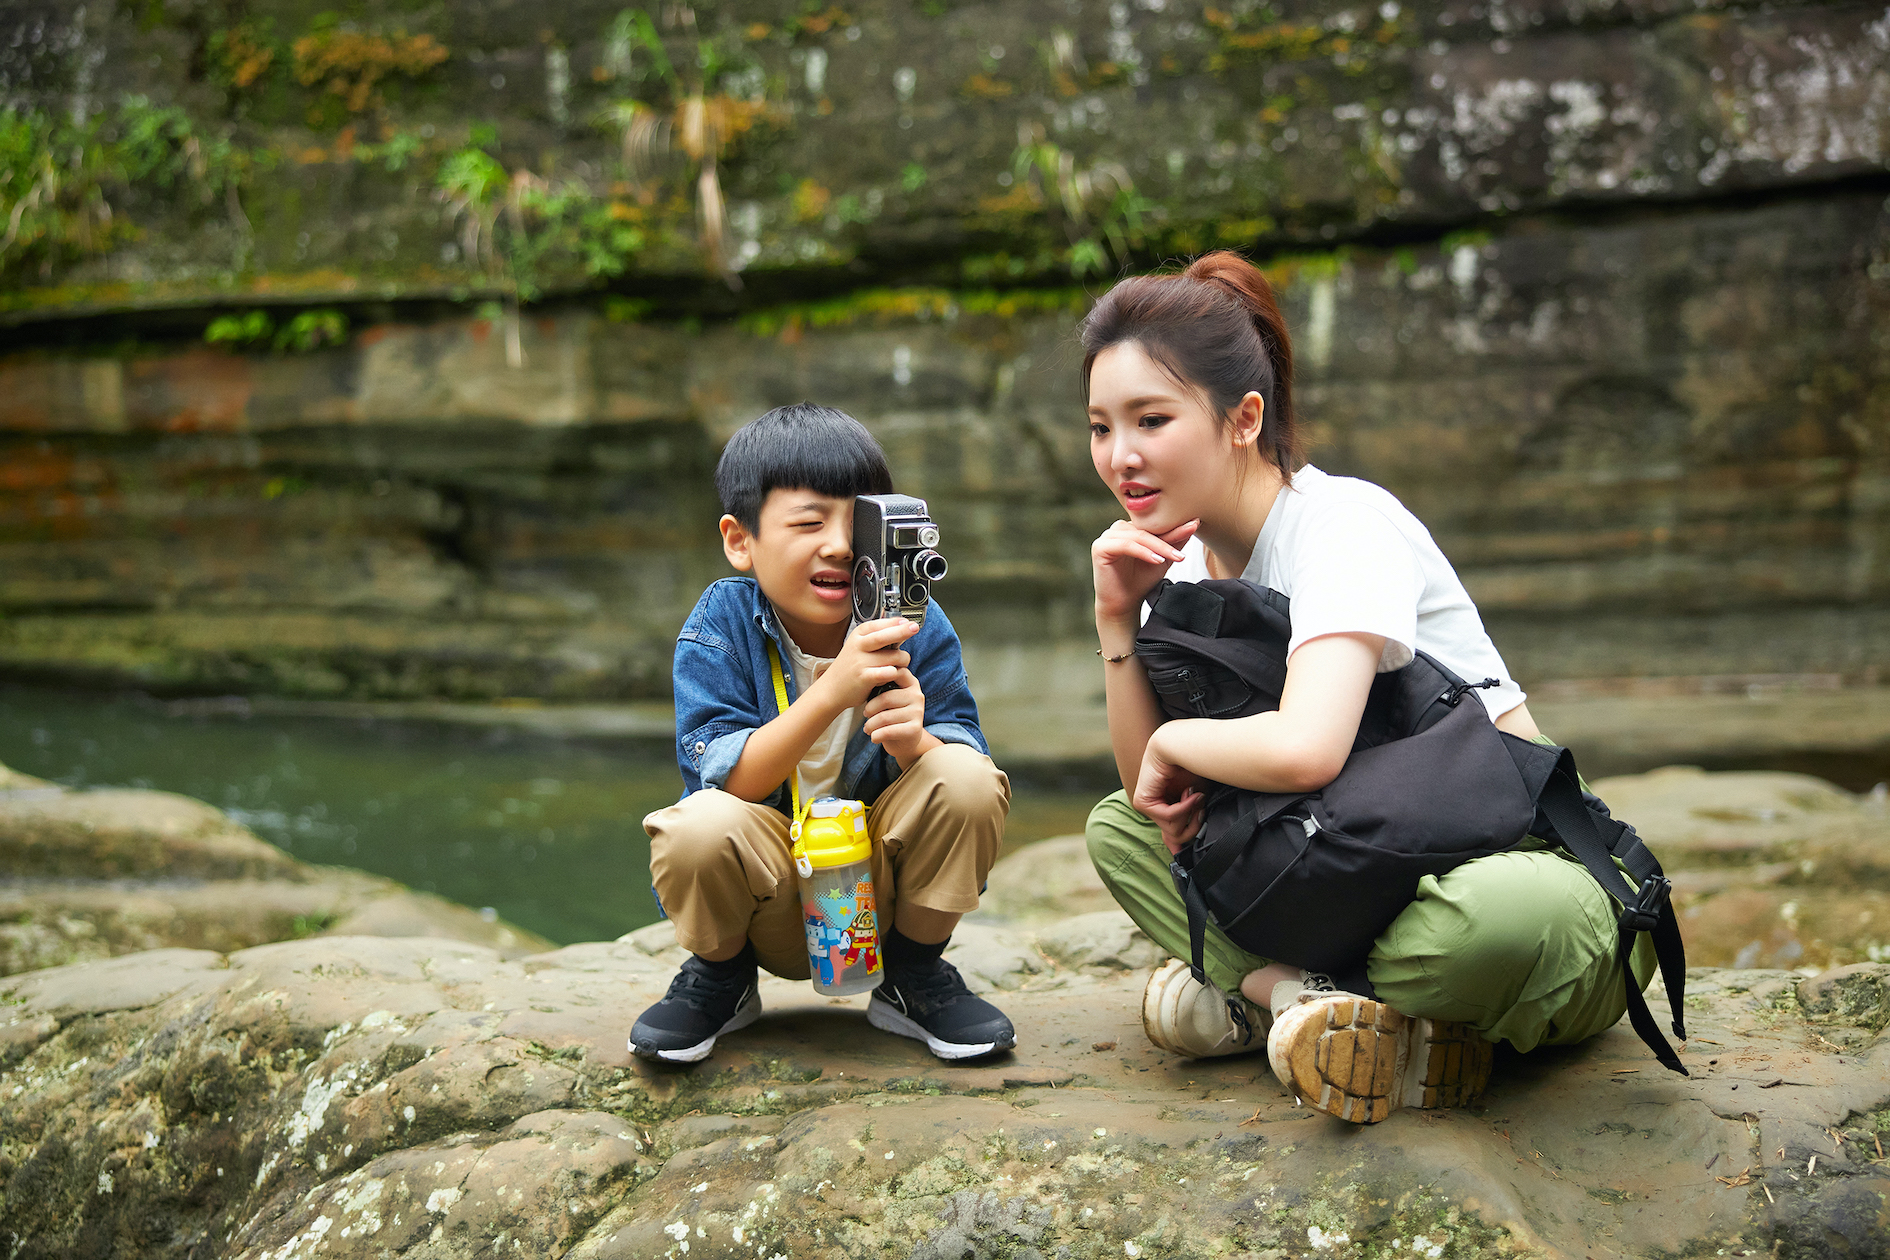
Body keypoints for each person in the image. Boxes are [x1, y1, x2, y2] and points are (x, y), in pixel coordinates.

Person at [1082, 252, 1655, 1124]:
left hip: (1515, 861)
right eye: (1099, 427)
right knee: (1119, 831)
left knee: (1466, 931)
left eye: (1151, 419)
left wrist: (1172, 742)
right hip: (1351, 856)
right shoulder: (1182, 563)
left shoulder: (1342, 525)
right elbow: (1151, 800)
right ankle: (1332, 1009)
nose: (1121, 456)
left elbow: (1307, 747)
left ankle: (1270, 990)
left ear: (1244, 418)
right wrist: (1116, 623)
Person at [630, 403, 1015, 1064]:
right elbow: (725, 777)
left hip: (883, 895)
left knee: (967, 778)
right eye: (809, 522)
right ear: (740, 539)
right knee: (695, 826)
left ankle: (913, 978)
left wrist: (915, 744)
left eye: (857, 521)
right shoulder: (720, 621)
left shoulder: (912, 620)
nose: (839, 544)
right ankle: (719, 980)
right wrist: (834, 690)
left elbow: (963, 759)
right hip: (773, 901)